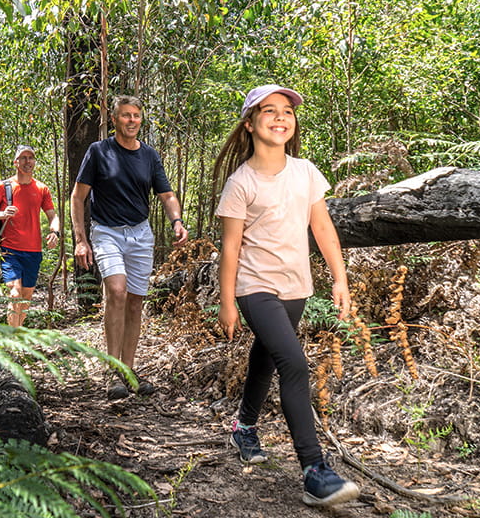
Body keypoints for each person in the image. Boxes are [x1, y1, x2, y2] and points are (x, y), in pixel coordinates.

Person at [213, 84, 360, 508]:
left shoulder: (306, 172)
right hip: (254, 287)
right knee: (293, 362)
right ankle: (315, 470)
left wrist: (339, 277)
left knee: (266, 356)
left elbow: (323, 228)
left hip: (296, 286)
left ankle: (243, 428)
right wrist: (227, 302)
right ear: (250, 123)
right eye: (269, 111)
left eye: (287, 112)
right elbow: (231, 249)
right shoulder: (241, 183)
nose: (281, 118)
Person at [71, 95, 189, 400]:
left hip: (140, 234)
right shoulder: (99, 152)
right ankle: (113, 370)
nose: (132, 120)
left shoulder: (149, 156)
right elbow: (77, 197)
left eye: (136, 115)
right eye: (126, 115)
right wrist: (80, 240)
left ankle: (127, 369)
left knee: (136, 301)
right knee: (118, 292)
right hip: (106, 231)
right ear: (114, 119)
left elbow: (167, 195)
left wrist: (176, 220)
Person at [0, 145, 61, 327]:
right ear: (16, 162)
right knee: (15, 293)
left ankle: (17, 332)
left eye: (30, 158)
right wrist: (1, 214)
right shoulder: (3, 187)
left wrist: (54, 232)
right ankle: (13, 342)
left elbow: (52, 215)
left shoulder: (41, 188)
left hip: (33, 250)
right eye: (23, 158)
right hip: (9, 248)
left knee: (26, 295)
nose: (27, 161)